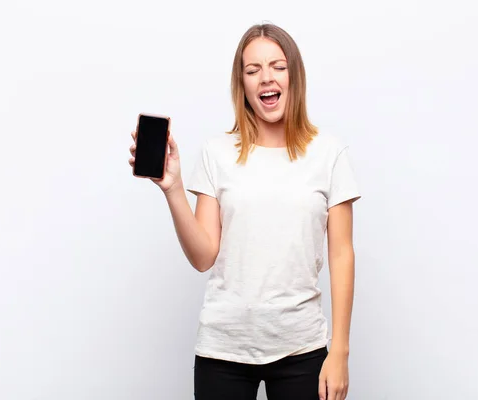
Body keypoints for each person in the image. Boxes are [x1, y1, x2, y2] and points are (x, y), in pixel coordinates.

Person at [129, 23, 361, 400]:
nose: (266, 78)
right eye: (253, 70)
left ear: (294, 75)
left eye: (277, 66)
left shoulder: (328, 153)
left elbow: (341, 254)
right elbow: (204, 256)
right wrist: (172, 189)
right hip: (223, 349)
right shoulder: (217, 152)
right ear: (243, 84)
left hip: (302, 348)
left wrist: (340, 351)